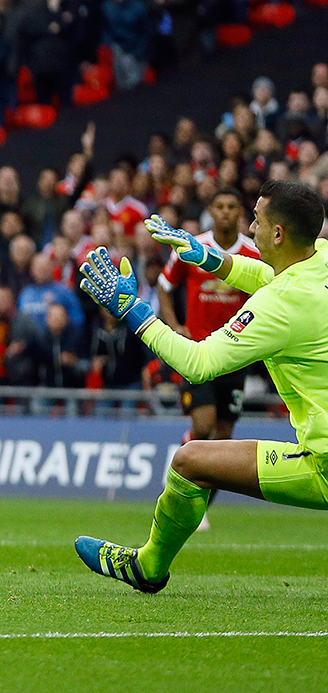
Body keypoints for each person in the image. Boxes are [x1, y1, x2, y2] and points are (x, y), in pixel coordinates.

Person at [75, 180, 328, 593]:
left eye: (257, 220)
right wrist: (211, 259)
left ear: (279, 233)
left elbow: (199, 363)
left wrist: (133, 310)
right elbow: (267, 274)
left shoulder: (281, 305)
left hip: (324, 464)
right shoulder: (321, 258)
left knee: (189, 461)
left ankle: (148, 566)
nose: (251, 227)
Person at [157, 189, 260, 530]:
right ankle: (179, 472)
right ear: (210, 211)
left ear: (240, 212)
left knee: (224, 436)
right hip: (199, 353)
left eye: (232, 206)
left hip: (236, 355)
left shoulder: (253, 253)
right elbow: (164, 285)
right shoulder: (192, 247)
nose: (226, 212)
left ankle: (199, 505)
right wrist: (175, 326)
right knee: (203, 426)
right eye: (220, 206)